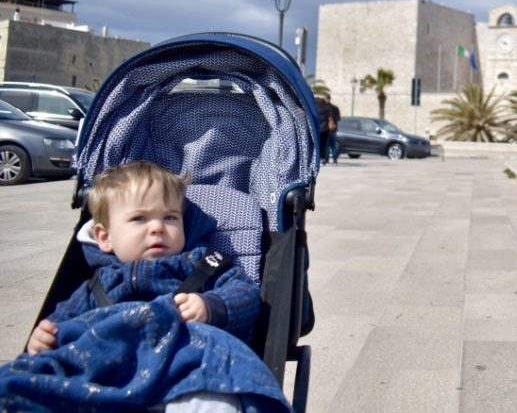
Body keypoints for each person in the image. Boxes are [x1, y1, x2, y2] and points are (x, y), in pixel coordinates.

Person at [5, 160, 287, 412]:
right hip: (110, 379)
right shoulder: (97, 285)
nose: (157, 228)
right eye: (139, 218)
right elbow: (63, 322)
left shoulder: (202, 266)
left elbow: (245, 293)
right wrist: (45, 337)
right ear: (105, 237)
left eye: (170, 217)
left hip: (184, 371)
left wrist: (211, 305)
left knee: (215, 394)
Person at [326, 95, 341, 165]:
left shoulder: (322, 108)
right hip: (333, 129)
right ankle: (335, 161)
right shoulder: (335, 108)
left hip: (325, 130)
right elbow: (338, 119)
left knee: (327, 146)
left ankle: (326, 161)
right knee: (333, 146)